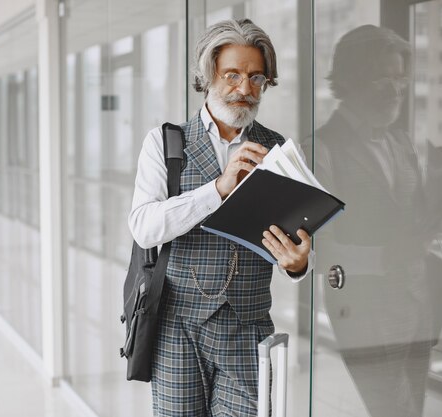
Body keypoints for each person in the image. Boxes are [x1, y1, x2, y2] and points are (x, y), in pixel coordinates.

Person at [128, 19, 314, 417]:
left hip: (247, 327)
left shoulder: (277, 149)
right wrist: (217, 190)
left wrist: (298, 265)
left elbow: (294, 236)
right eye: (232, 75)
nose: (245, 89)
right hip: (176, 326)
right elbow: (144, 226)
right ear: (209, 74)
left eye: (256, 78)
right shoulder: (166, 142)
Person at [303, 25, 442, 417]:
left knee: (413, 408)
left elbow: (420, 220)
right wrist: (384, 258)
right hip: (363, 312)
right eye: (382, 78)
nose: (395, 89)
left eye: (399, 78)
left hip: (416, 302)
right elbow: (318, 250)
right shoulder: (319, 149)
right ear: (350, 79)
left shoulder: (402, 142)